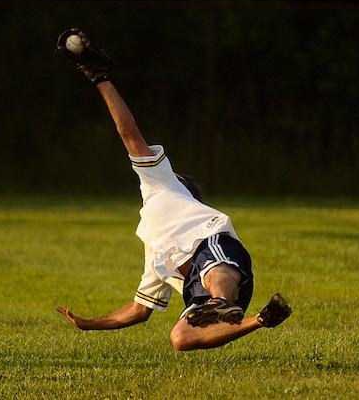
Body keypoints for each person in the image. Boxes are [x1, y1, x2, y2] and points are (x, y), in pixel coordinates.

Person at [54, 28, 292, 351]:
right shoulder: (156, 254)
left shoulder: (161, 186)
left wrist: (101, 80)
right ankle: (260, 319)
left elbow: (129, 134)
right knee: (181, 338)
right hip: (204, 290)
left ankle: (221, 301)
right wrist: (89, 324)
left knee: (210, 267)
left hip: (217, 254)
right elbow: (139, 310)